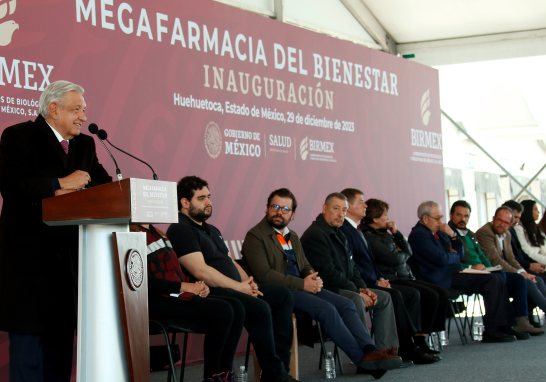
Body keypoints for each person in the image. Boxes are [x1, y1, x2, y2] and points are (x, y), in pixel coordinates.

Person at [0, 80, 112, 382]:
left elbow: (104, 187)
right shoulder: (18, 136)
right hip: (29, 267)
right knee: (28, 358)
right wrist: (59, 184)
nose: (83, 117)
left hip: (69, 268)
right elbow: (13, 188)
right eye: (77, 110)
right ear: (53, 109)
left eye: (84, 110)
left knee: (59, 359)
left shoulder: (85, 145)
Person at [241, 188, 402, 378]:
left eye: (285, 209)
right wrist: (303, 284)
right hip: (279, 292)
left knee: (346, 304)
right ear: (267, 209)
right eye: (275, 206)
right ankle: (362, 360)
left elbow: (305, 264)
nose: (279, 212)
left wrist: (312, 277)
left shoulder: (291, 235)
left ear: (292, 215)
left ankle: (371, 350)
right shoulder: (255, 236)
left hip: (303, 287)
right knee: (326, 310)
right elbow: (265, 275)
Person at [166, 176, 297, 382]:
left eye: (209, 196)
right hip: (211, 292)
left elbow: (229, 261)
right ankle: (274, 372)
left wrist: (249, 283)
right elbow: (201, 271)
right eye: (201, 198)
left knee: (282, 295)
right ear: (184, 202)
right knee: (259, 307)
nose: (208, 202)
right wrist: (240, 288)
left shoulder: (211, 229)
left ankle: (280, 365)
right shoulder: (180, 229)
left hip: (234, 287)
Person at [130, 223, 244, 382]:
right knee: (223, 310)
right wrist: (185, 286)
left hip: (176, 293)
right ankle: (212, 376)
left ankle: (226, 372)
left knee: (237, 307)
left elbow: (174, 273)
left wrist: (196, 285)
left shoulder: (159, 233)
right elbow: (141, 281)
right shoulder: (130, 233)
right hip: (154, 300)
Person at [339, 189, 440, 364]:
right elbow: (353, 264)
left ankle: (410, 344)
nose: (365, 205)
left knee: (413, 293)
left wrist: (379, 277)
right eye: (361, 201)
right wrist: (373, 281)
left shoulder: (357, 229)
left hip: (376, 279)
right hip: (361, 283)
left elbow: (371, 262)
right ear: (349, 207)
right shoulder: (347, 230)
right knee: (397, 295)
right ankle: (407, 347)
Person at [408, 201, 519, 343]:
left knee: (496, 276)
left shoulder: (438, 232)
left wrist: (452, 235)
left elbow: (459, 252)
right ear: (425, 218)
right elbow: (442, 259)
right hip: (441, 278)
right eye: (437, 218)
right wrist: (453, 256)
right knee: (491, 280)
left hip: (453, 272)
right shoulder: (419, 235)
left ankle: (504, 325)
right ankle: (492, 329)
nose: (440, 221)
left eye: (441, 217)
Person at [356, 195, 451, 353]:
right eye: (385, 215)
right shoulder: (369, 236)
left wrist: (397, 233)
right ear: (374, 218)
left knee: (440, 293)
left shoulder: (385, 233)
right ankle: (413, 341)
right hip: (393, 278)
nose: (388, 218)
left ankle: (422, 337)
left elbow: (406, 251)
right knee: (422, 294)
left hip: (404, 275)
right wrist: (402, 252)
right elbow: (394, 258)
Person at [473, 204, 545, 335]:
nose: (502, 224)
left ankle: (520, 319)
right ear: (494, 218)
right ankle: (521, 321)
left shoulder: (506, 234)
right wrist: (521, 274)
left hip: (505, 271)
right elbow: (495, 260)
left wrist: (523, 272)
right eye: (499, 220)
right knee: (524, 281)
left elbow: (511, 258)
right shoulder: (485, 232)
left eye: (506, 223)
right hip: (492, 272)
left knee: (537, 280)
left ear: (510, 224)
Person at [515, 199, 546, 264]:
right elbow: (527, 252)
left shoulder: (536, 228)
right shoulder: (519, 229)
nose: (538, 212)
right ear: (528, 211)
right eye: (535, 209)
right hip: (533, 263)